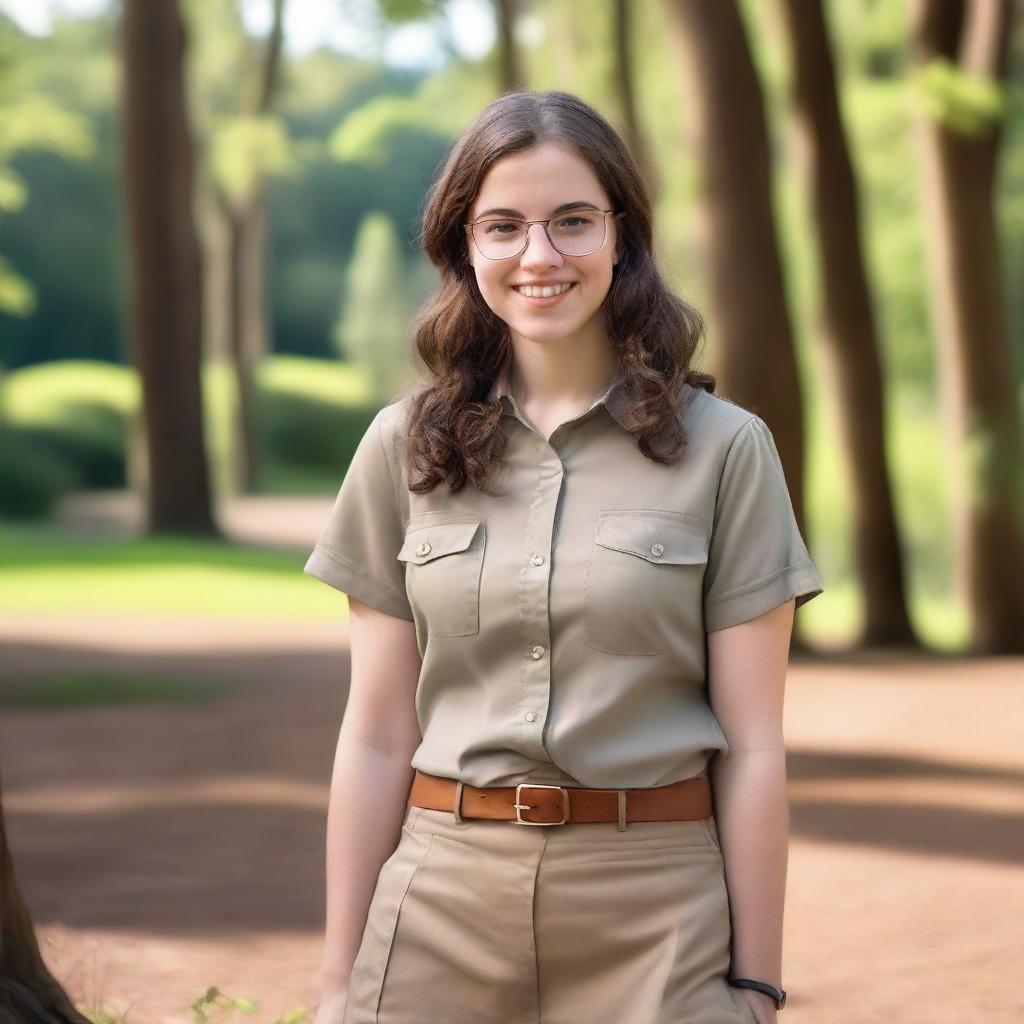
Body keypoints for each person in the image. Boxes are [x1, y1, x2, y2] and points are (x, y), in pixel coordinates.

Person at [305, 89, 823, 1024]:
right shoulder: (401, 448)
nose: (538, 256)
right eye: (502, 226)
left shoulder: (727, 448)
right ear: (465, 245)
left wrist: (755, 985)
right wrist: (341, 984)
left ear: (622, 237)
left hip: (658, 915)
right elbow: (376, 733)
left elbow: (752, 745)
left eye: (572, 222)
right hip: (438, 906)